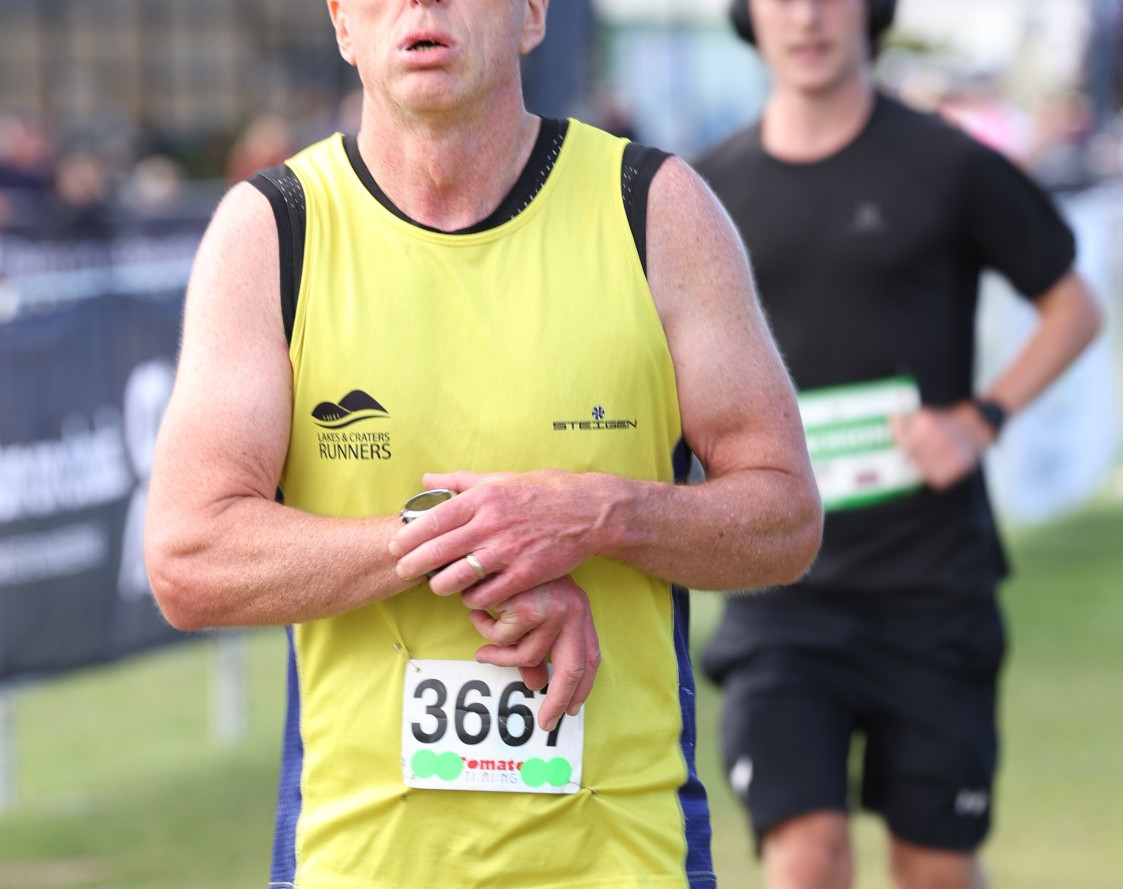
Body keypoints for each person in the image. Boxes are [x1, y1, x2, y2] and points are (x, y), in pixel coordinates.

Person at [143, 2, 822, 888]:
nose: (422, 4)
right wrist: (472, 541)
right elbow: (190, 560)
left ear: (533, 16)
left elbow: (784, 520)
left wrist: (599, 513)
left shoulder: (654, 208)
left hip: (621, 854)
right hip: (359, 862)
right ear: (343, 26)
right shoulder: (273, 230)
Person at [693, 2, 1103, 888]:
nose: (805, 18)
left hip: (930, 587)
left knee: (934, 868)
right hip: (778, 592)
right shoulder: (702, 191)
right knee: (805, 856)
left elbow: (1074, 306)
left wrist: (981, 417)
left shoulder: (944, 162)